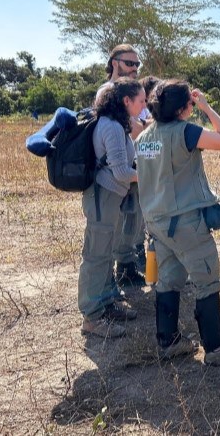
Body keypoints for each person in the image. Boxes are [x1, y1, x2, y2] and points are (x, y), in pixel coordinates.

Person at [135, 80, 220, 366]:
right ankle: (216, 348)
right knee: (207, 279)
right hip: (184, 221)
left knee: (169, 279)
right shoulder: (185, 132)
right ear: (184, 107)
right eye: (190, 103)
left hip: (156, 221)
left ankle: (168, 341)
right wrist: (207, 107)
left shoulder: (144, 137)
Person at [78, 78, 145, 338]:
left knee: (104, 253)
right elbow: (120, 172)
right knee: (96, 256)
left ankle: (105, 305)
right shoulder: (113, 127)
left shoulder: (115, 124)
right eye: (140, 101)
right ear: (126, 101)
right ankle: (92, 317)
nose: (143, 106)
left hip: (108, 198)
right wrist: (149, 174)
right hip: (103, 197)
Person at [97, 44, 148, 289]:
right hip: (116, 174)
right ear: (115, 62)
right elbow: (137, 128)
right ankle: (106, 286)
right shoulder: (109, 92)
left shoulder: (131, 90)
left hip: (135, 166)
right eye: (130, 63)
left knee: (133, 221)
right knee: (114, 226)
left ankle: (126, 269)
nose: (134, 69)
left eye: (137, 64)